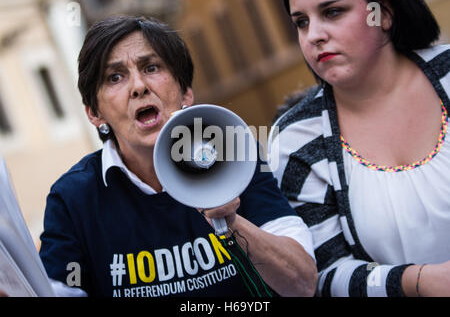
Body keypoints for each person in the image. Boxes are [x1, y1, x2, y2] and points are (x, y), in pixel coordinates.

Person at [38, 15, 317, 297]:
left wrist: (232, 223)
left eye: (151, 67)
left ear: (185, 92)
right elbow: (58, 289)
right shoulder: (73, 198)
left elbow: (302, 283)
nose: (139, 87)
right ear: (94, 113)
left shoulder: (236, 155)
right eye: (115, 77)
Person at [268, 0, 450, 297]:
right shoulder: (296, 139)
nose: (314, 35)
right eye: (302, 22)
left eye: (333, 12)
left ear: (385, 14)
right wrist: (417, 281)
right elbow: (324, 273)